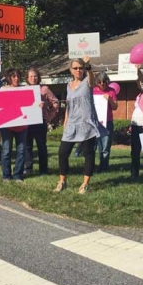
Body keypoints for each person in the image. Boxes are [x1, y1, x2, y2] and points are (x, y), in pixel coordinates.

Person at [55, 56, 103, 194]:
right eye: (75, 68)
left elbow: (92, 77)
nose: (78, 70)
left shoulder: (88, 81)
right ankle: (62, 181)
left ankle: (85, 183)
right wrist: (65, 122)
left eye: (80, 68)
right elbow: (69, 107)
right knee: (62, 152)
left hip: (86, 123)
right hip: (72, 124)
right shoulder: (68, 86)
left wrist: (88, 66)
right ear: (71, 70)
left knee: (88, 154)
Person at [0, 68, 28, 182]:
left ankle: (17, 175)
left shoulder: (25, 89)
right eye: (13, 76)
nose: (16, 78)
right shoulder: (3, 90)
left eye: (18, 76)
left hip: (22, 126)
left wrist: (38, 105)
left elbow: (31, 106)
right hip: (7, 126)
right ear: (9, 78)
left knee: (21, 151)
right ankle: (6, 175)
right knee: (6, 150)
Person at [24, 67, 59, 175]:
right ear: (27, 78)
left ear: (38, 77)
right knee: (27, 146)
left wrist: (49, 117)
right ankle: (28, 168)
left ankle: (43, 170)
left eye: (35, 76)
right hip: (27, 122)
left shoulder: (44, 89)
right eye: (31, 76)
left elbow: (55, 103)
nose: (33, 78)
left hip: (40, 121)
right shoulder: (23, 89)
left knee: (41, 146)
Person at [92, 71, 118, 173]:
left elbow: (115, 107)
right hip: (94, 122)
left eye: (104, 82)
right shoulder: (92, 91)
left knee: (105, 146)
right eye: (99, 82)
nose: (102, 84)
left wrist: (110, 99)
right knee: (93, 146)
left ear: (108, 81)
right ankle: (91, 166)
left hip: (107, 122)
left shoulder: (111, 91)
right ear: (96, 82)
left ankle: (104, 167)